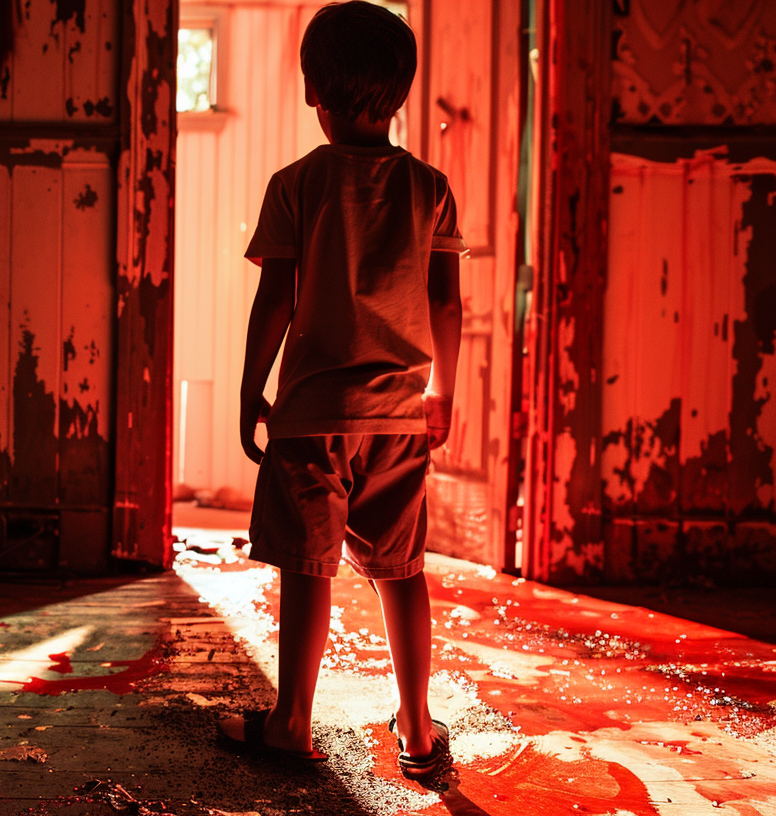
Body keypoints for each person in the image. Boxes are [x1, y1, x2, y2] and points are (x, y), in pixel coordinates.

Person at [215, 1, 464, 791]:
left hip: (313, 418)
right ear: (399, 95)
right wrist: (444, 397)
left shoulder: (297, 185)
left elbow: (276, 301)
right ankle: (419, 733)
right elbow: (448, 305)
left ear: (311, 90)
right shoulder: (431, 188)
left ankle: (292, 724)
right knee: (402, 570)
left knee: (308, 567)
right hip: (398, 417)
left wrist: (253, 389)